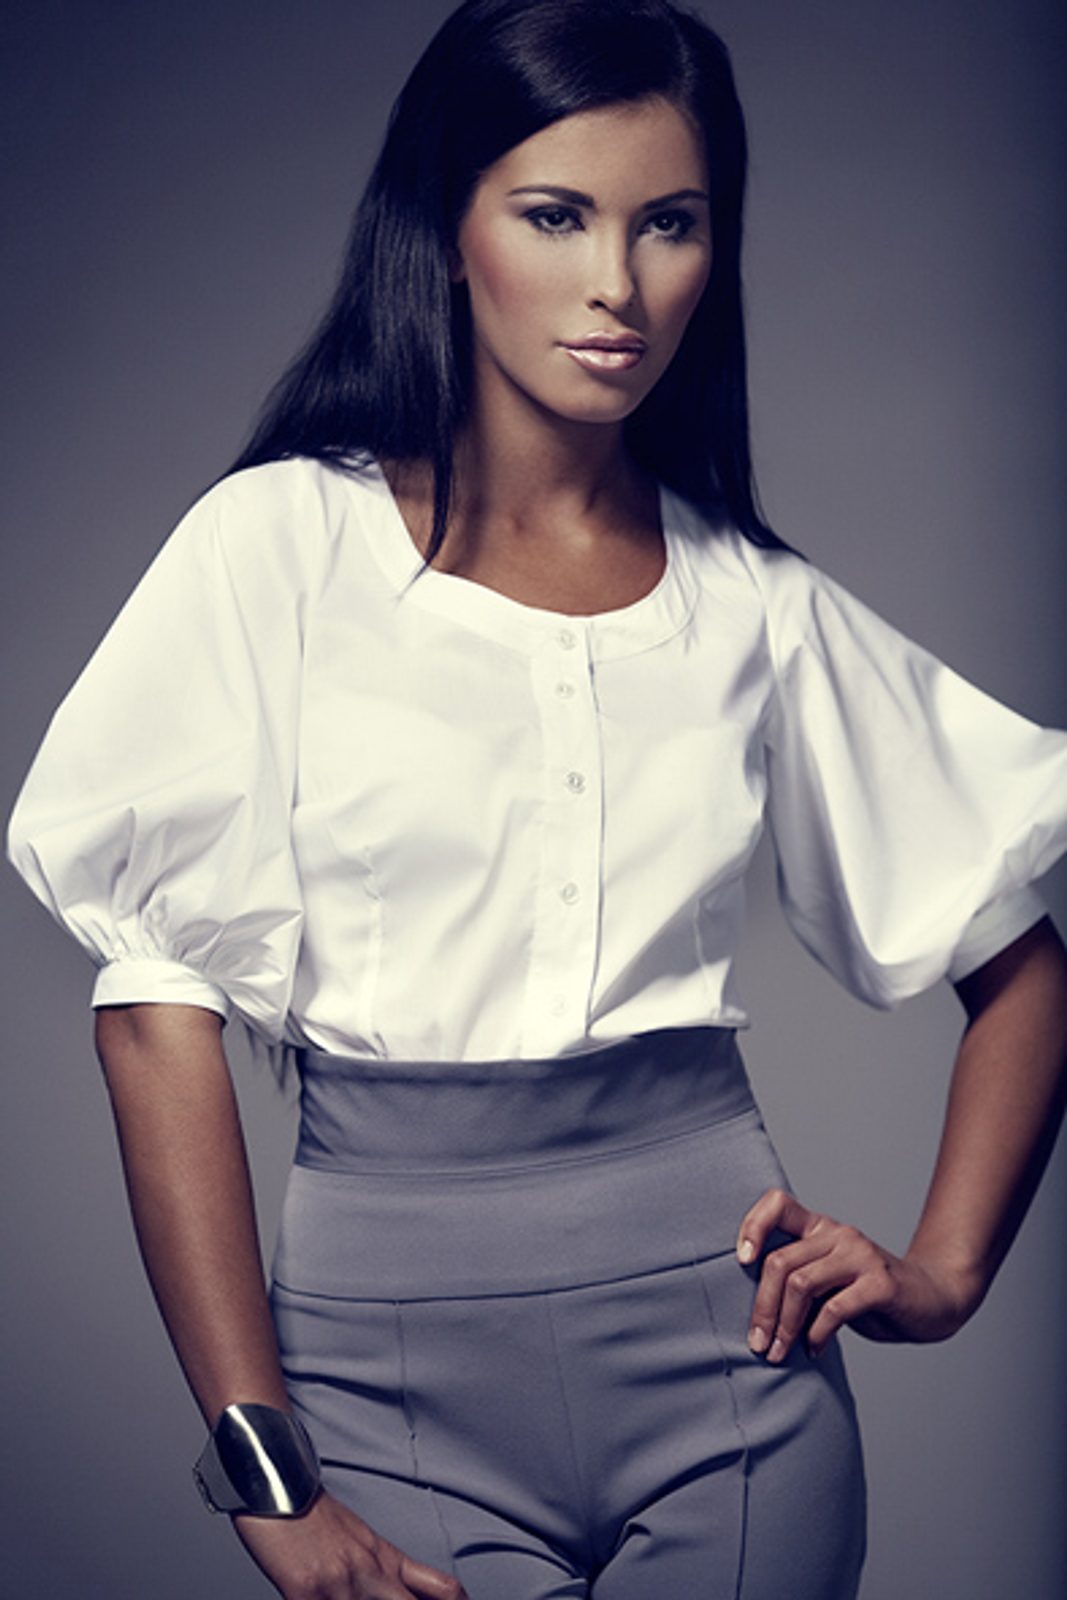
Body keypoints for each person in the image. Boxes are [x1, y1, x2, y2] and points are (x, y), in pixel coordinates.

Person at [7, 1, 1067, 1596]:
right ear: (448, 229)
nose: (618, 285)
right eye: (557, 215)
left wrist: (944, 1275)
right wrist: (264, 1466)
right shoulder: (278, 547)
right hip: (380, 1390)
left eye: (670, 224)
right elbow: (155, 1014)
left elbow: (1022, 968)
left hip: (735, 1379)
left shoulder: (753, 606)